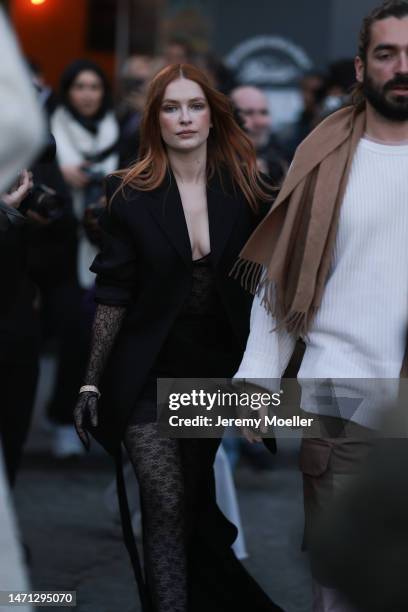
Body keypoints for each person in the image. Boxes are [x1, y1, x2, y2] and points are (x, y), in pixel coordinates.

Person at [74, 63, 282, 612]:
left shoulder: (246, 191)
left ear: (213, 118)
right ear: (155, 120)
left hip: (211, 374)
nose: (184, 117)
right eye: (170, 107)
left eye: (194, 106)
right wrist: (92, 384)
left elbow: (268, 292)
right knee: (163, 501)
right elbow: (114, 294)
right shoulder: (128, 195)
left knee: (191, 507)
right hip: (143, 373)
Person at [233, 1, 408, 610]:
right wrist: (255, 383)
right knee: (341, 589)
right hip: (338, 396)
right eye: (387, 54)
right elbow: (281, 281)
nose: (401, 66)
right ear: (362, 68)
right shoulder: (325, 152)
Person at [49, 59, 120, 456]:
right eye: (79, 87)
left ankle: (99, 420)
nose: (88, 94)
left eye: (94, 86)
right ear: (68, 91)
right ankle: (62, 417)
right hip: (62, 255)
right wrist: (62, 174)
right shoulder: (50, 132)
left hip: (108, 255)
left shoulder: (119, 132)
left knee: (105, 342)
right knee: (73, 339)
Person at [230, 85, 287, 183]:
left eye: (264, 112)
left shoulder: (285, 155)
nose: (259, 122)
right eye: (248, 113)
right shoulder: (211, 160)